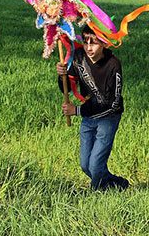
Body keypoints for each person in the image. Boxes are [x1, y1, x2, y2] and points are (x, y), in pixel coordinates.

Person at [56, 26, 129, 191]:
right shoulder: (79, 57)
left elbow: (112, 103)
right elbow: (67, 87)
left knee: (95, 166)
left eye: (94, 43)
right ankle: (117, 184)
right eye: (86, 41)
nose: (89, 47)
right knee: (85, 165)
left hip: (108, 118)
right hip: (88, 117)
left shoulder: (113, 65)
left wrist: (77, 111)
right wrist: (62, 76)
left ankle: (97, 194)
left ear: (104, 43)